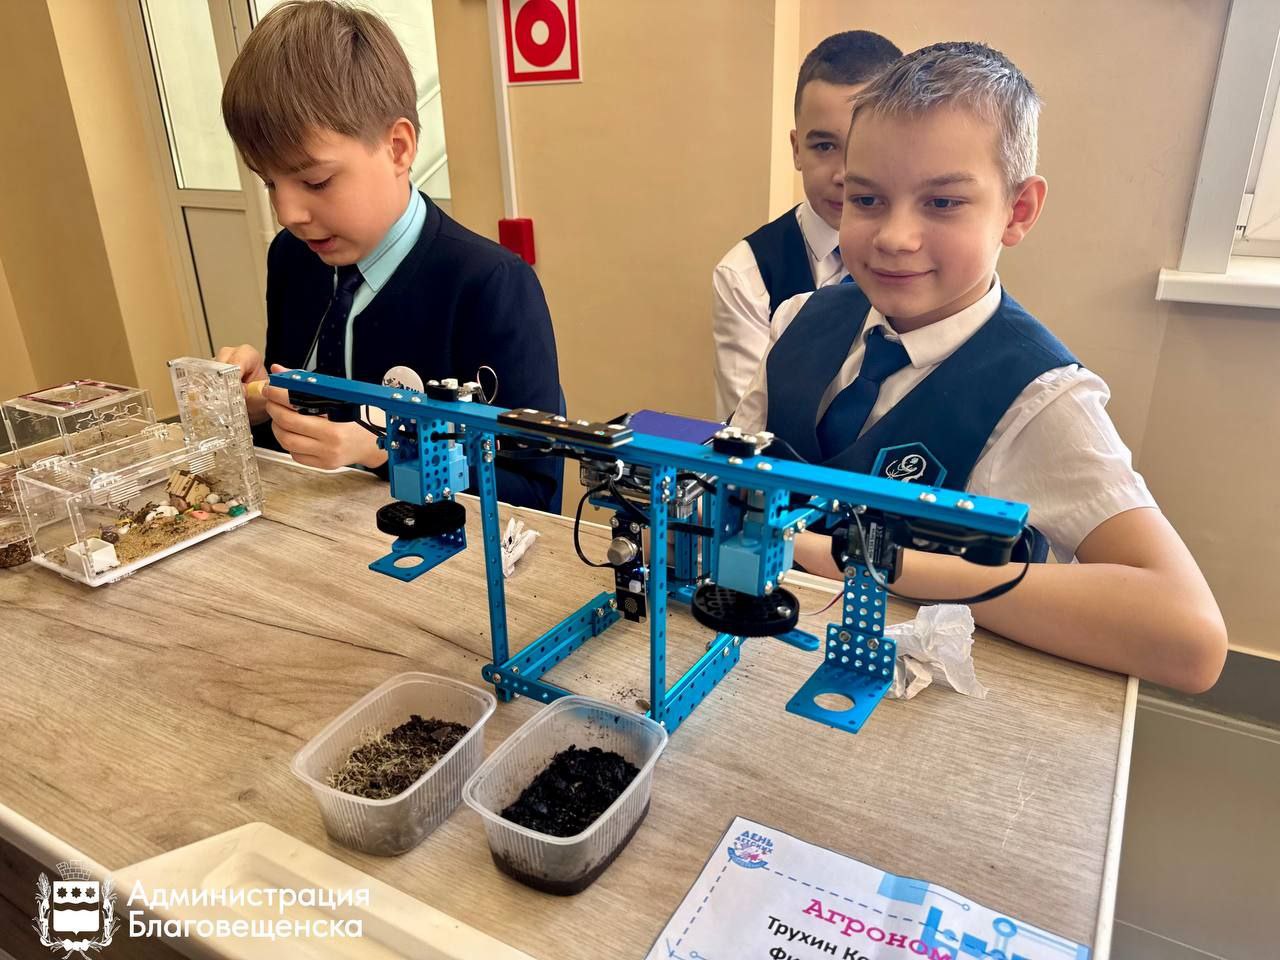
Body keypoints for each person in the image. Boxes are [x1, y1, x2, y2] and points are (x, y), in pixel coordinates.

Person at [733, 42, 1226, 693]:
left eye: (942, 203)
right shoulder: (798, 317)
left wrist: (875, 563)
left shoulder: (1040, 398)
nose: (894, 237)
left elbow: (1191, 638)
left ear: (1017, 211)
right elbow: (733, 471)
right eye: (867, 199)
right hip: (753, 672)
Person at [215, 0, 562, 511]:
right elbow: (298, 443)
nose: (288, 213)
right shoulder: (293, 258)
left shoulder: (488, 284)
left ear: (398, 148)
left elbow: (533, 490)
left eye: (316, 181)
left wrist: (386, 451)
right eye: (269, 182)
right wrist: (261, 402)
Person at [712, 30, 901, 418]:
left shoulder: (924, 259)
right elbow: (749, 428)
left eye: (865, 145)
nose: (845, 173)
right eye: (824, 146)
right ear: (797, 149)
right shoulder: (748, 275)